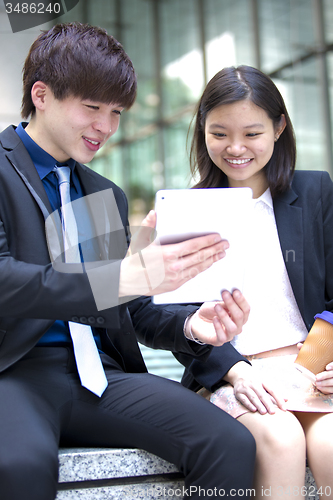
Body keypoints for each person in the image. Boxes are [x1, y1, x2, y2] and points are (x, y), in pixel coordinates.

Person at [0, 23, 256, 500]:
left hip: (98, 374)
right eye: (92, 107)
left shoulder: (102, 193)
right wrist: (122, 276)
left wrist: (192, 328)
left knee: (229, 442)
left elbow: (126, 306)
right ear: (41, 94)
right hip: (13, 372)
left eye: (116, 112)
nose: (107, 126)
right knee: (20, 466)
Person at [177, 65, 333, 499]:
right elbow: (178, 316)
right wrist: (235, 370)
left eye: (252, 132)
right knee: (282, 439)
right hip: (236, 374)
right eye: (219, 133)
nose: (235, 148)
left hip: (310, 371)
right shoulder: (189, 210)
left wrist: (328, 361)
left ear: (279, 127)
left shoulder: (315, 191)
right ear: (203, 131)